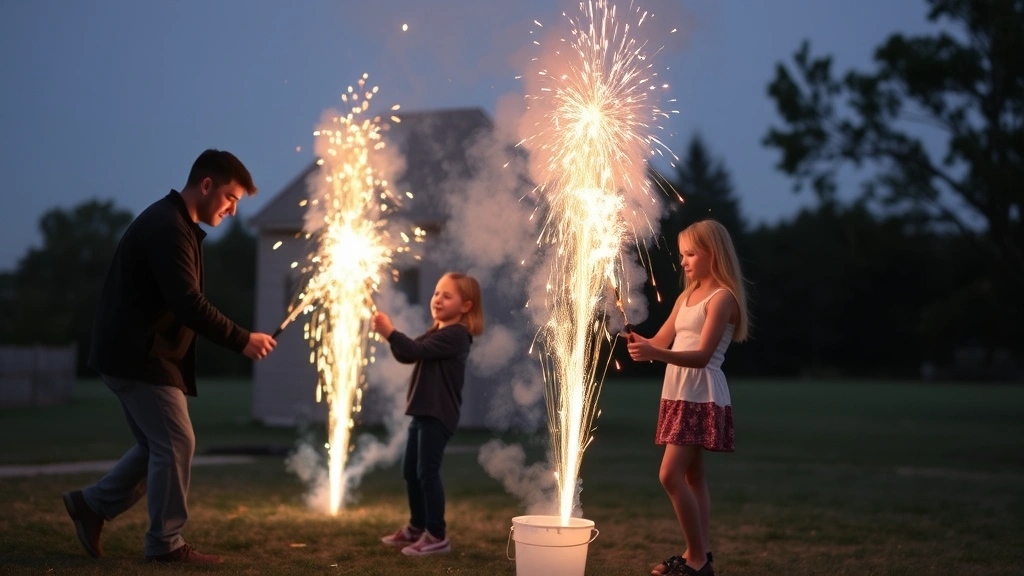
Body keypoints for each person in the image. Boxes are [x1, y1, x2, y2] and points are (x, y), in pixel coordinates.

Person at [62, 149, 278, 564]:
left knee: (155, 446)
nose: (232, 210)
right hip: (139, 357)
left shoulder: (175, 223)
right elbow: (189, 304)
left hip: (133, 354)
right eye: (231, 198)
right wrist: (242, 339)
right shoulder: (167, 227)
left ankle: (91, 505)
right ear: (207, 185)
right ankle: (164, 544)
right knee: (176, 443)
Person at [625, 219, 750, 576]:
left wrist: (655, 354)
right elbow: (662, 341)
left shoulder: (721, 297)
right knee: (693, 476)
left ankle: (696, 559)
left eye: (691, 254)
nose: (683, 261)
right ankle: (700, 555)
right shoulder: (686, 296)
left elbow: (701, 355)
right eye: (682, 255)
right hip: (679, 392)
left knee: (670, 474)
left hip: (700, 393)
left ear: (715, 254)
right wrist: (641, 343)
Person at [372, 272, 485, 557]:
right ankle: (416, 526)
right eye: (436, 293)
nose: (438, 299)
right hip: (423, 412)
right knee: (411, 471)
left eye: (447, 296)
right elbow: (408, 354)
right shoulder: (438, 330)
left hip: (438, 414)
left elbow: (414, 349)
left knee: (427, 473)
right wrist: (391, 337)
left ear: (466, 306)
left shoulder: (456, 335)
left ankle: (436, 535)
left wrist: (390, 332)